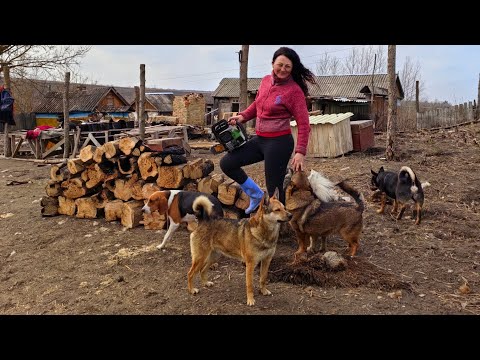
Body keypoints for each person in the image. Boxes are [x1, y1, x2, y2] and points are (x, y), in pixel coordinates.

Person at [220, 46, 316, 214]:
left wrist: (300, 152)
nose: (283, 69)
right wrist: (243, 116)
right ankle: (255, 194)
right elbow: (258, 105)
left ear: (292, 69)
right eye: (280, 64)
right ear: (273, 63)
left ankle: (280, 227)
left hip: (280, 143)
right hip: (260, 139)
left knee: (274, 189)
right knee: (227, 163)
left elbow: (303, 123)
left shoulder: (294, 91)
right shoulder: (265, 81)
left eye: (288, 66)